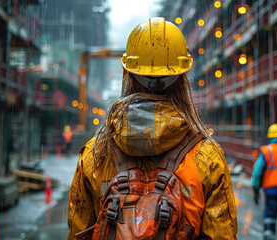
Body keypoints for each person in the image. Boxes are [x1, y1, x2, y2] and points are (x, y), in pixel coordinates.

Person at [67, 17, 237, 240]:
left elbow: (78, 233)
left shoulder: (94, 156)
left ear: (127, 75)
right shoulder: (207, 158)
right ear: (181, 79)